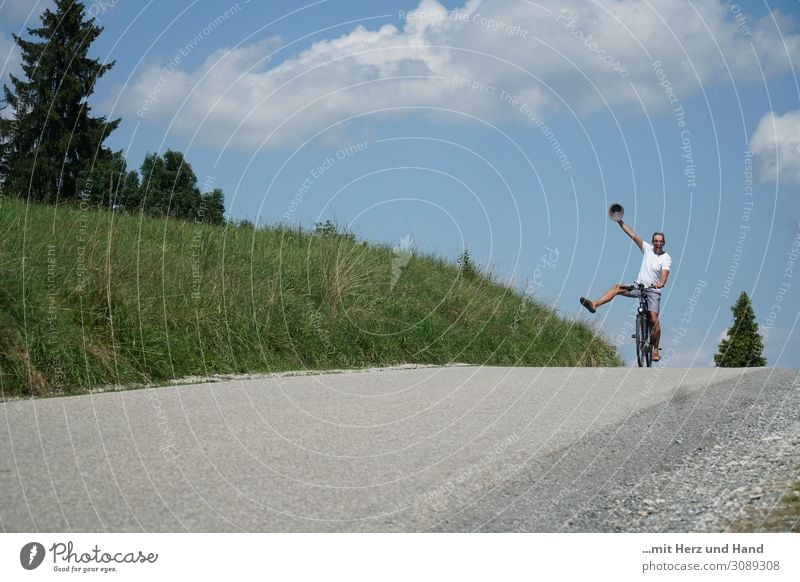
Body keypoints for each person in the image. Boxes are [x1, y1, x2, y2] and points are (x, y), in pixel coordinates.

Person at [579, 221, 671, 362]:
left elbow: (664, 273)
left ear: (664, 243)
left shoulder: (666, 258)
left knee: (654, 319)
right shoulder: (647, 248)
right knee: (617, 287)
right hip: (639, 287)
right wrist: (620, 221)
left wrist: (661, 283)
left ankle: (655, 350)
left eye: (660, 241)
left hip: (653, 290)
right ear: (652, 242)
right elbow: (632, 234)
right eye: (655, 241)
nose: (658, 243)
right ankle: (594, 305)